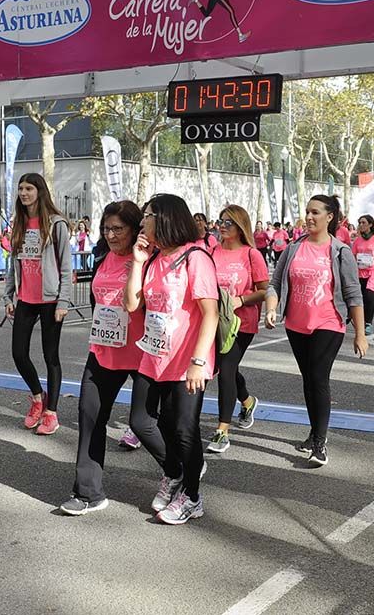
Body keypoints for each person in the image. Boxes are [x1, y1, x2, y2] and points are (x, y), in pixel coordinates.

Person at [123, 194, 219, 525]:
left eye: (147, 216)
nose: (142, 222)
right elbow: (132, 305)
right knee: (141, 421)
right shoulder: (152, 259)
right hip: (153, 355)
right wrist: (138, 262)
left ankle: (192, 497)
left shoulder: (196, 258)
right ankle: (176, 471)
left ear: (165, 218)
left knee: (183, 429)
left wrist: (198, 362)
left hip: (187, 360)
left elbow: (210, 313)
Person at [265, 195, 367, 467]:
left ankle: (320, 444)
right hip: (296, 324)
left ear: (329, 217)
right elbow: (275, 283)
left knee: (318, 377)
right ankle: (313, 433)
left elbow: (353, 293)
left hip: (328, 323)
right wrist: (272, 308)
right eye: (307, 212)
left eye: (315, 212)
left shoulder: (340, 251)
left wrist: (360, 333)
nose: (309, 217)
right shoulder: (293, 248)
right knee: (308, 379)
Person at [61, 201, 145, 516]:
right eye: (106, 228)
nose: (111, 235)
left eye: (118, 229)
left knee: (149, 424)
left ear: (134, 229)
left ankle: (183, 471)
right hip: (104, 349)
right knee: (90, 415)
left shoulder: (147, 259)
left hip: (141, 352)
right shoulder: (101, 255)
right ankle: (88, 493)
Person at [4, 173, 73, 437]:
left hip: (51, 300)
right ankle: (37, 397)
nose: (24, 193)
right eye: (21, 188)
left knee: (50, 356)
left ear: (40, 191)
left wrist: (63, 301)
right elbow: (13, 264)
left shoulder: (56, 224)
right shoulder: (19, 224)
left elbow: (66, 267)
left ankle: (51, 412)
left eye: (29, 188)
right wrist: (8, 296)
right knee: (18, 353)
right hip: (26, 299)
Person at [205, 205, 268, 454]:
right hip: (214, 320)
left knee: (226, 370)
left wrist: (241, 300)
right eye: (220, 221)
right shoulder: (212, 251)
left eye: (228, 222)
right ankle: (248, 401)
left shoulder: (251, 254)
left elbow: (264, 290)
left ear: (241, 226)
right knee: (226, 367)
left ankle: (222, 431)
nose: (222, 226)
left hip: (241, 323)